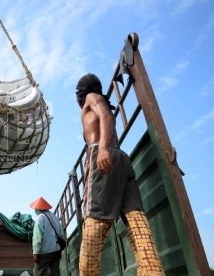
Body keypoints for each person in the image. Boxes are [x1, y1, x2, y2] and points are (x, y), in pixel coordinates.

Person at [75, 73, 165, 276]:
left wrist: (103, 149)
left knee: (93, 225)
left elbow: (105, 116)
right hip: (122, 161)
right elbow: (107, 118)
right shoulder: (100, 101)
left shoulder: (92, 98)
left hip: (103, 155)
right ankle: (153, 271)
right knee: (136, 222)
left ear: (80, 94)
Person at [30, 197, 64, 276]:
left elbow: (37, 238)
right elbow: (60, 233)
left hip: (45, 251)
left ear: (38, 209)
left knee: (38, 272)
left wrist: (35, 253)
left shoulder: (40, 218)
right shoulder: (54, 217)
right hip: (56, 249)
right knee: (55, 272)